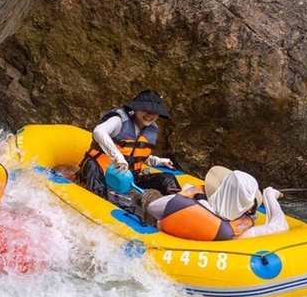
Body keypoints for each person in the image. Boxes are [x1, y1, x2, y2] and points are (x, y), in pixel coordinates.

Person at [77, 90, 180, 209]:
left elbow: (134, 154)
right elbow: (98, 132)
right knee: (91, 164)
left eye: (155, 112)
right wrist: (118, 158)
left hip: (127, 180)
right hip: (101, 175)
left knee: (168, 179)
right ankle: (100, 203)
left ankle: (178, 210)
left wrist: (156, 161)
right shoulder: (119, 120)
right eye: (145, 109)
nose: (150, 114)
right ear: (135, 108)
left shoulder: (150, 130)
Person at [140, 166, 288, 241]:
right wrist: (270, 195)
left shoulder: (191, 203)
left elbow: (154, 208)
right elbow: (281, 226)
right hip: (207, 241)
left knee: (151, 195)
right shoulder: (240, 233)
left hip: (165, 228)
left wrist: (185, 193)